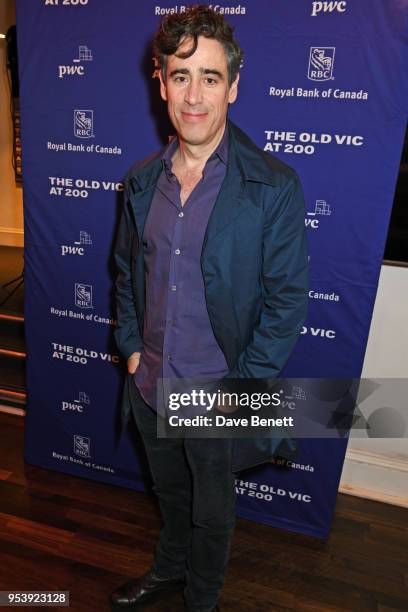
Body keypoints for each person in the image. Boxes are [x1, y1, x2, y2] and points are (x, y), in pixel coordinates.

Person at [111, 6, 308, 611]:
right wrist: (131, 347)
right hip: (150, 385)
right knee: (170, 497)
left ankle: (202, 599)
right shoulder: (142, 180)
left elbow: (286, 301)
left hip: (218, 395)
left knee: (212, 514)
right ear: (161, 81)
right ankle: (168, 570)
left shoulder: (272, 186)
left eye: (211, 77)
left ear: (235, 85)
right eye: (181, 76)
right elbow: (125, 272)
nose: (194, 95)